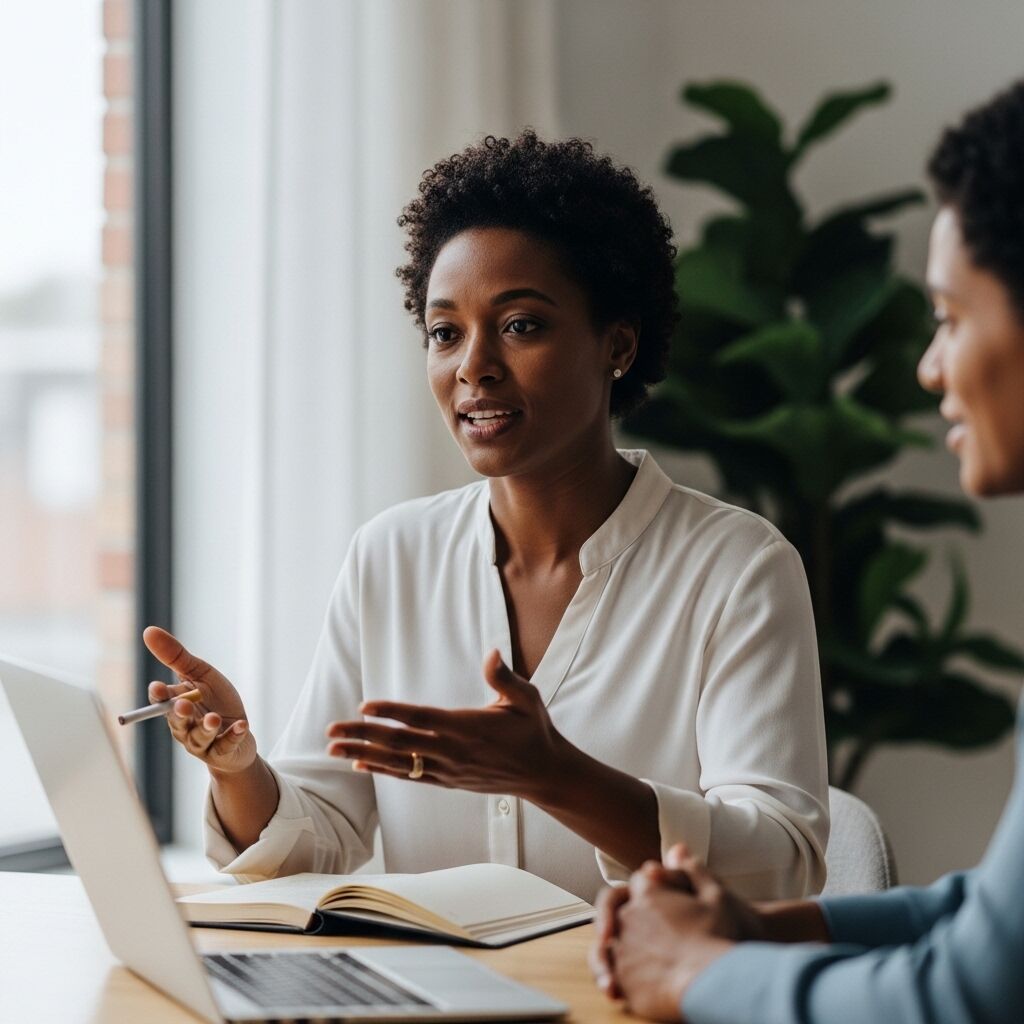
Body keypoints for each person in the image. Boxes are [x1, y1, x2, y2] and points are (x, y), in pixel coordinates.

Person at [143, 131, 829, 903]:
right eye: (446, 333)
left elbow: (783, 858)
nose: (474, 366)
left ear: (618, 344)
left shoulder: (738, 569)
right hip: (433, 979)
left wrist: (559, 777)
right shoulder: (391, 557)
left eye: (521, 324)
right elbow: (320, 835)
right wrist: (239, 770)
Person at [591, 81, 1024, 1021]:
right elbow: (992, 923)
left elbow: (968, 994)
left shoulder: (740, 561)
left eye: (951, 317)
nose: (930, 367)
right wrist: (760, 930)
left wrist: (697, 974)